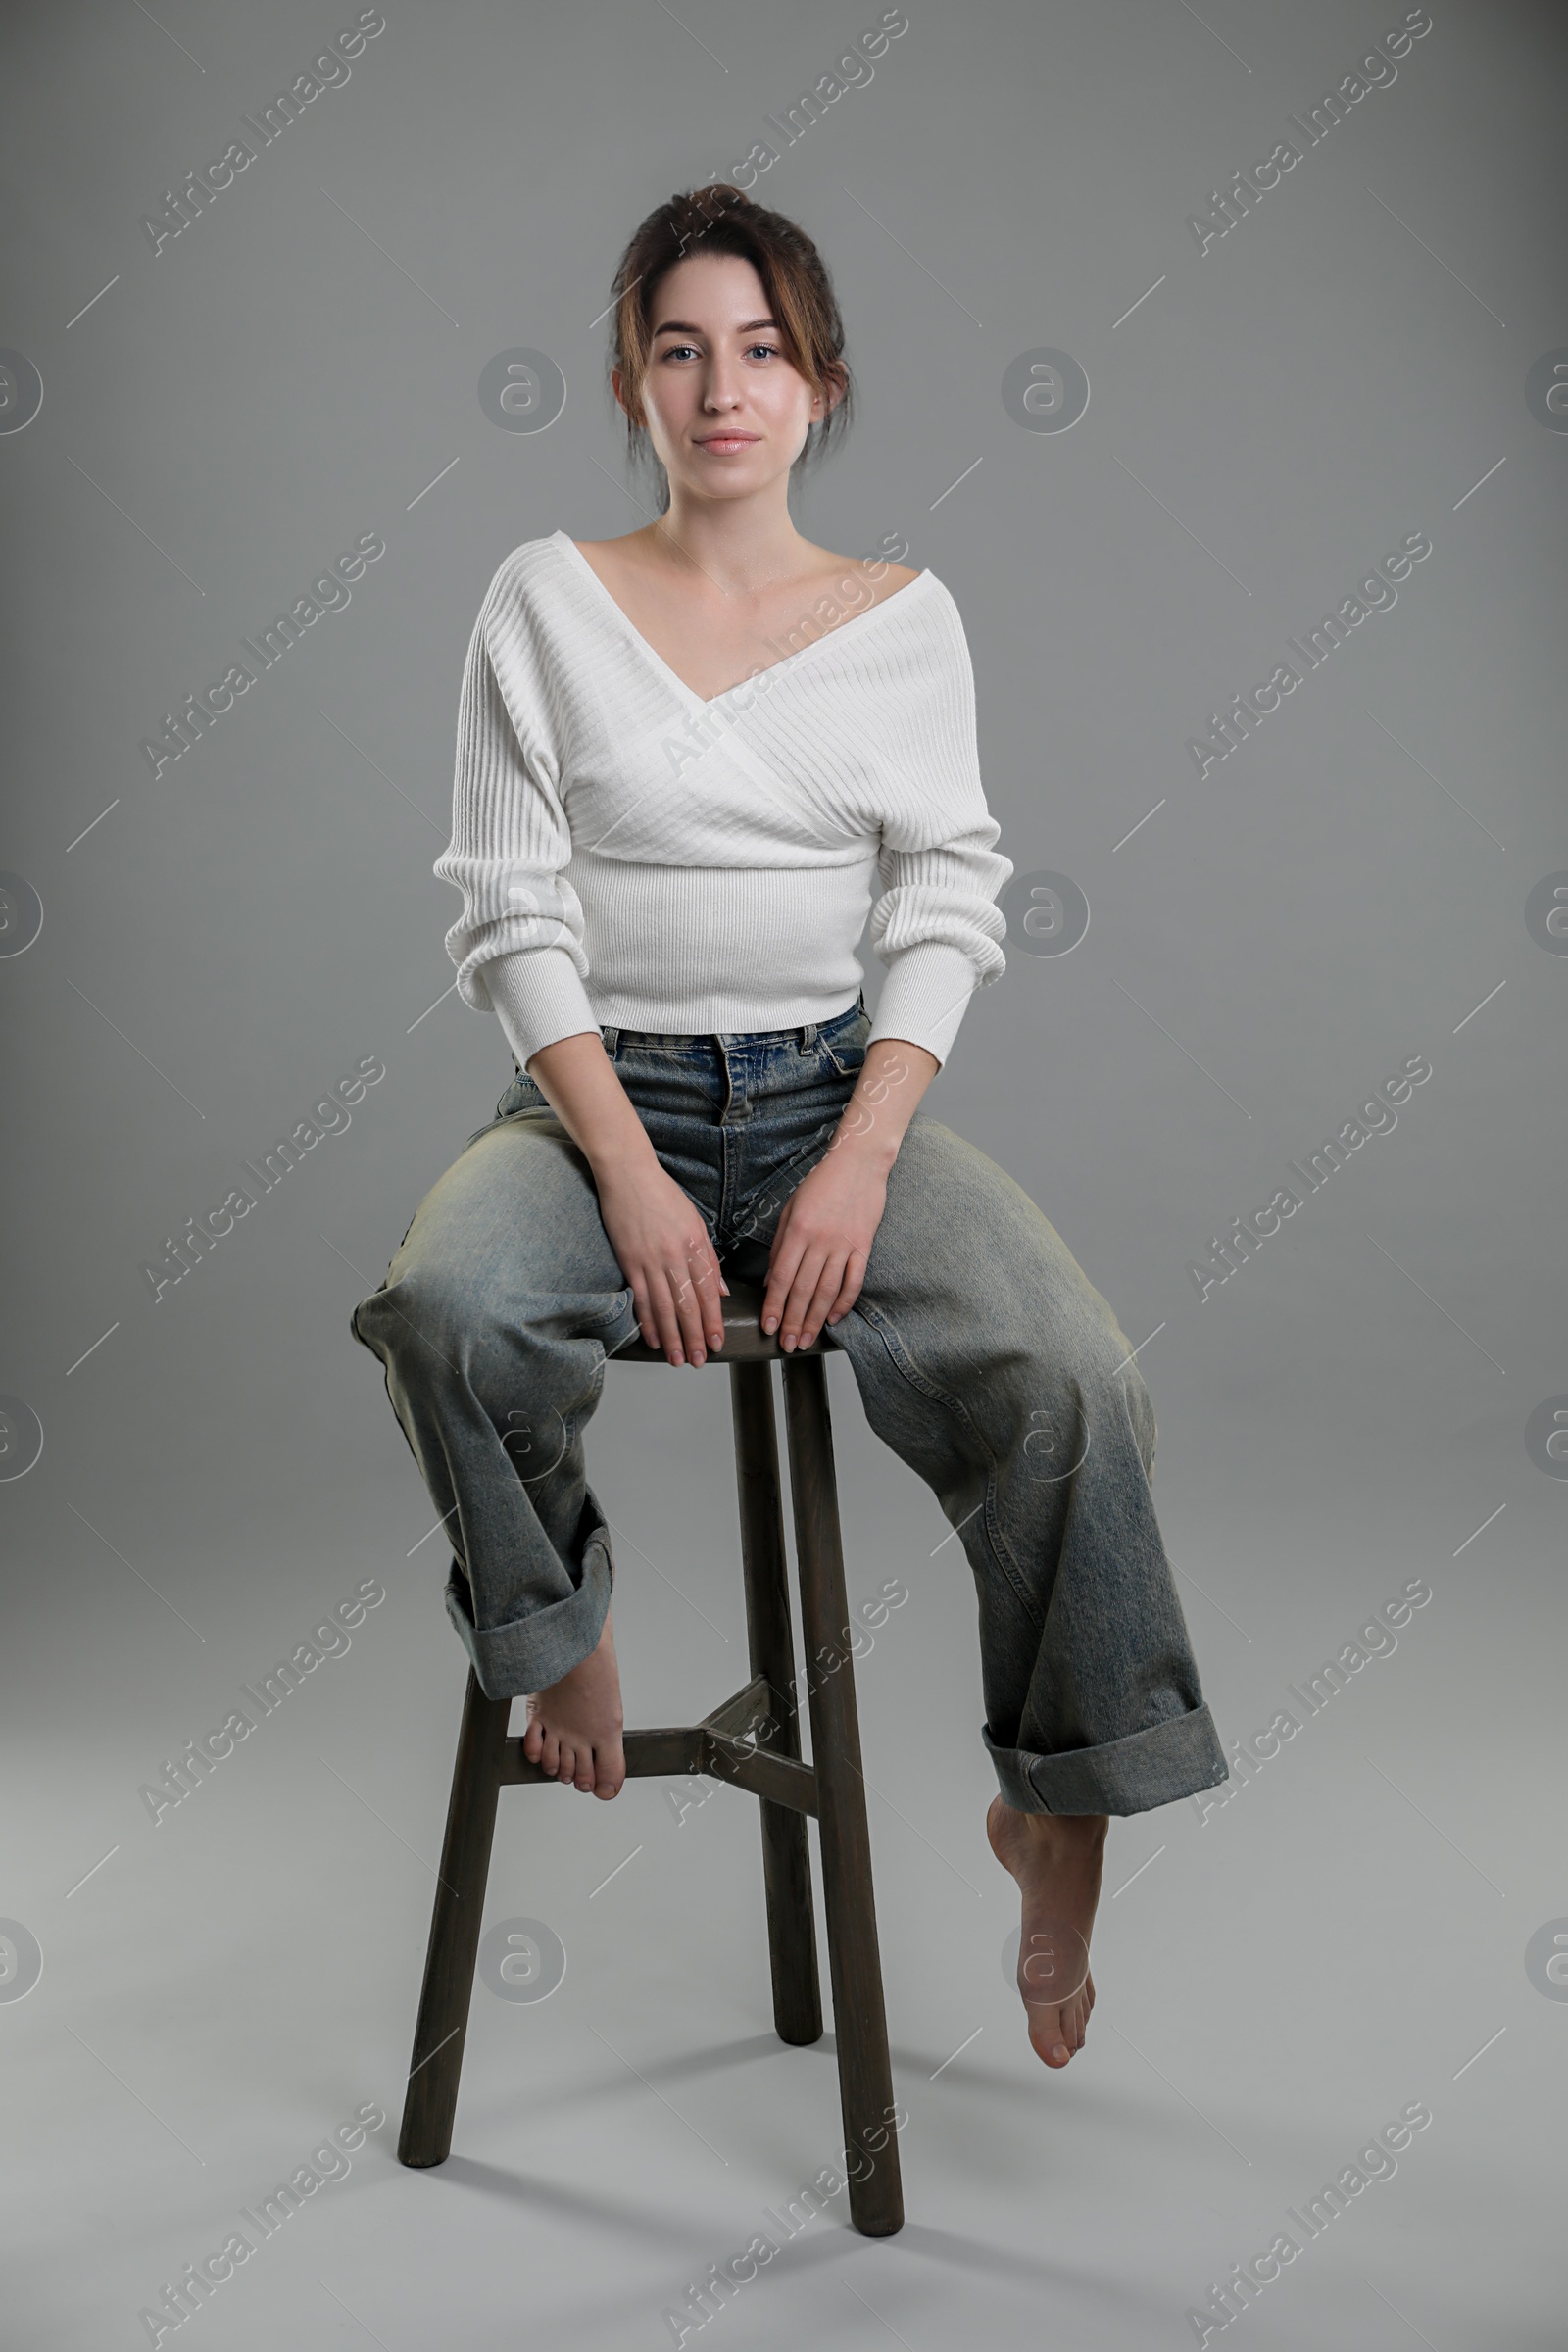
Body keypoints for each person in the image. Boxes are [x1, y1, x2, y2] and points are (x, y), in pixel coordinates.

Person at [351, 182, 1228, 2073]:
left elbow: (947, 896)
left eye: (761, 350)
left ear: (821, 387)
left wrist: (859, 1153)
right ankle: (557, 1626)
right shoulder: (546, 599)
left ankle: (1055, 1807)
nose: (721, 385)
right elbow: (510, 912)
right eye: (682, 349)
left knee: (1075, 1372)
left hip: (837, 1096)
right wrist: (634, 1173)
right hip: (607, 1106)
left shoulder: (905, 621)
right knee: (446, 1309)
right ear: (629, 384)